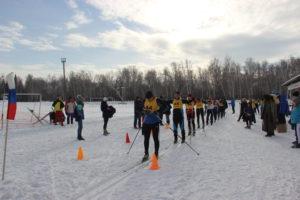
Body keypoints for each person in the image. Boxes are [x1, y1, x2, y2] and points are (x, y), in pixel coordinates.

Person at [142, 91, 160, 162]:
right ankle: (146, 154)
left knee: (155, 139)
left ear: (152, 96)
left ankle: (156, 154)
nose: (148, 99)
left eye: (150, 98)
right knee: (146, 139)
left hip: (154, 123)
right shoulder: (146, 100)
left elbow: (165, 108)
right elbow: (142, 108)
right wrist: (144, 111)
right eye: (147, 98)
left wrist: (156, 112)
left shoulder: (157, 100)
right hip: (146, 123)